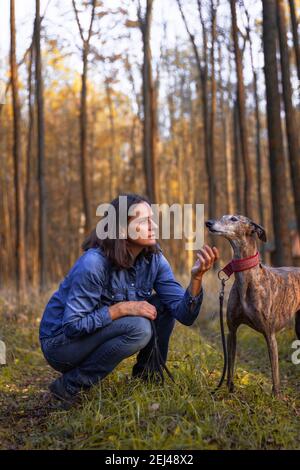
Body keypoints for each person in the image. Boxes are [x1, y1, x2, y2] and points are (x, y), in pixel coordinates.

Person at [39, 193, 219, 406]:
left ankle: (148, 379)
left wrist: (196, 279)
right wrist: (121, 309)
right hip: (60, 344)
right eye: (143, 221)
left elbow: (185, 315)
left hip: (86, 335)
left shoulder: (154, 260)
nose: (153, 225)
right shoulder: (93, 264)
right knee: (139, 328)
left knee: (161, 307)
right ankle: (69, 386)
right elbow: (73, 326)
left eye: (152, 218)